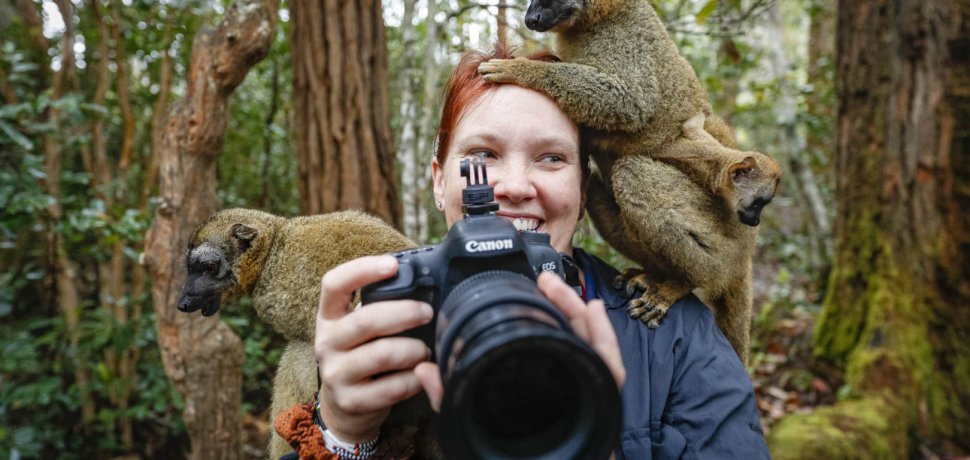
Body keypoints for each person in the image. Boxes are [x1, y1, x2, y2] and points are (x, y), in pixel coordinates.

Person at [274, 46, 771, 460]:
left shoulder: (675, 337)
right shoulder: (385, 323)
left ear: (584, 191)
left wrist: (594, 431)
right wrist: (343, 437)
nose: (513, 187)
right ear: (439, 181)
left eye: (551, 158)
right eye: (481, 157)